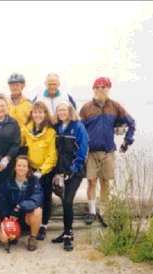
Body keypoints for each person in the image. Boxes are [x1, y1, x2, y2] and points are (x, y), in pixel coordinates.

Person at [79, 76, 136, 225]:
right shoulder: (86, 108)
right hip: (90, 152)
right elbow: (79, 130)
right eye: (97, 87)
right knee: (91, 182)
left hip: (108, 152)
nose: (100, 89)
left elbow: (131, 123)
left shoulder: (115, 106)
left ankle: (104, 212)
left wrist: (127, 141)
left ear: (108, 89)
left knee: (105, 182)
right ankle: (92, 212)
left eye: (103, 87)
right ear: (93, 89)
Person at [52, 101, 89, 251]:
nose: (62, 112)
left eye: (64, 110)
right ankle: (67, 231)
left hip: (75, 171)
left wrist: (74, 168)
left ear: (70, 111)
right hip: (60, 171)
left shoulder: (78, 126)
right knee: (63, 200)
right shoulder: (56, 127)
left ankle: (68, 235)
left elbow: (83, 149)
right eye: (59, 110)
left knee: (68, 200)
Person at [20, 101, 57, 241]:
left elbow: (52, 155)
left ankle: (43, 225)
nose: (37, 115)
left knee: (45, 198)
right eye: (35, 112)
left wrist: (41, 171)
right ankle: (29, 223)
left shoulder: (50, 132)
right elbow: (22, 146)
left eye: (41, 112)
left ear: (45, 114)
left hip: (45, 170)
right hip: (30, 169)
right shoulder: (26, 130)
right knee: (29, 196)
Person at [0, 155, 43, 252]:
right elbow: (2, 201)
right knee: (3, 239)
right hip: (12, 217)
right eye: (19, 165)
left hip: (26, 216)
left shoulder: (34, 181)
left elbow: (37, 199)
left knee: (38, 211)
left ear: (28, 168)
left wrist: (19, 207)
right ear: (15, 167)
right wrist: (5, 216)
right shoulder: (7, 182)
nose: (21, 168)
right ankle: (13, 235)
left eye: (24, 166)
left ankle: (33, 238)